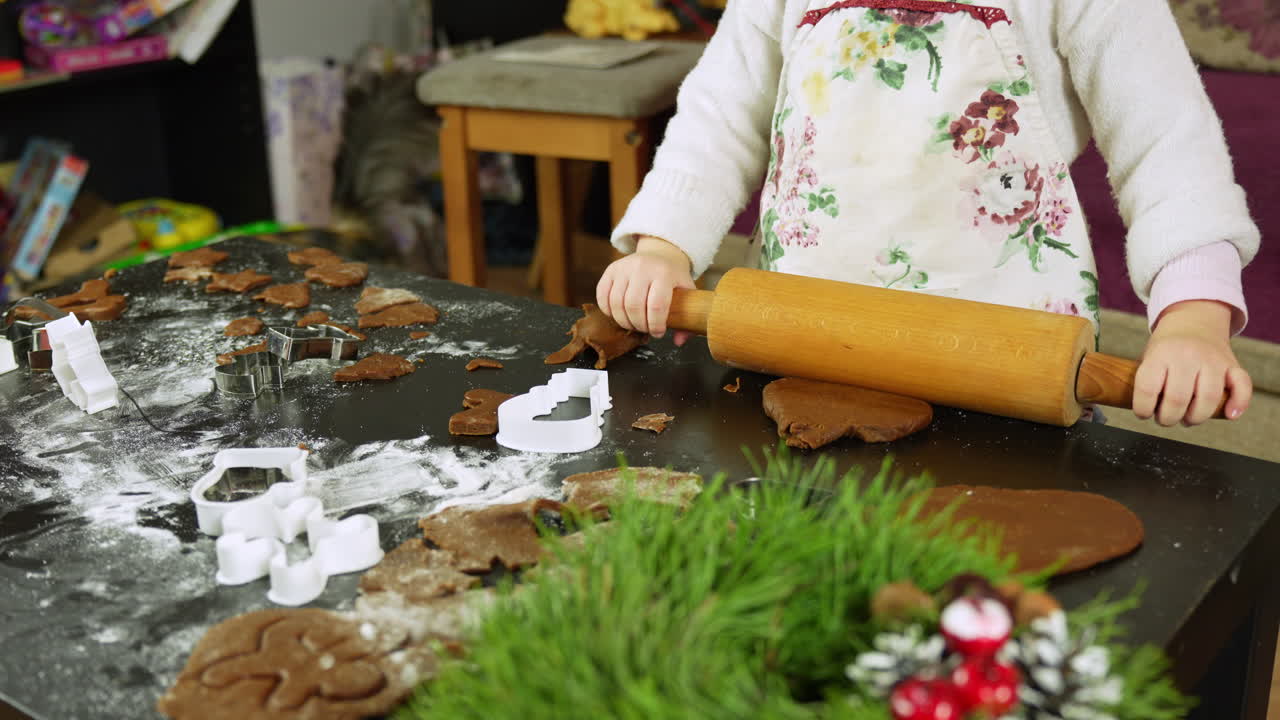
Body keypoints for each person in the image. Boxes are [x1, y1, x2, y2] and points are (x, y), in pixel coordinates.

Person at [596, 0, 1260, 427]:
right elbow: (720, 116)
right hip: (802, 343)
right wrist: (664, 247)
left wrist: (1192, 321)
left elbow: (1167, 141)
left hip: (1011, 367)